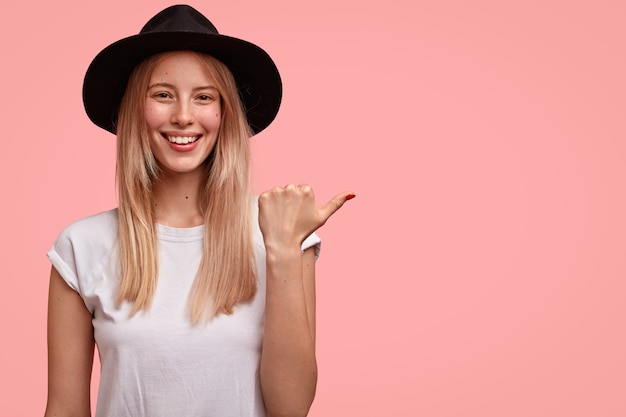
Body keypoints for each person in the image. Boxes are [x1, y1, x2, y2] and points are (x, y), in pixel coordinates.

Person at [45, 5, 354, 417]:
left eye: (204, 97)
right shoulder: (80, 247)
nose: (184, 116)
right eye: (163, 95)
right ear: (136, 110)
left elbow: (292, 408)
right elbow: (65, 408)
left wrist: (281, 249)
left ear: (224, 113)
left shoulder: (280, 234)